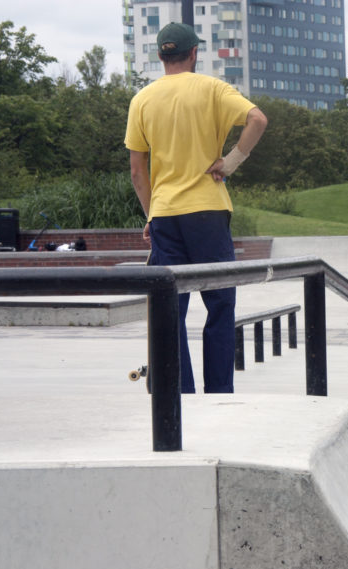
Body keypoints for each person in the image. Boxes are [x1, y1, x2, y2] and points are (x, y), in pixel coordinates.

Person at [125, 22, 268, 393]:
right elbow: (257, 119)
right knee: (220, 306)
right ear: (193, 54)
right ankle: (219, 395)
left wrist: (151, 214)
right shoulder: (212, 89)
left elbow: (138, 171)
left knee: (169, 310)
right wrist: (231, 161)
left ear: (160, 55)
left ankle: (180, 395)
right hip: (208, 212)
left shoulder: (142, 99)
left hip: (166, 215)